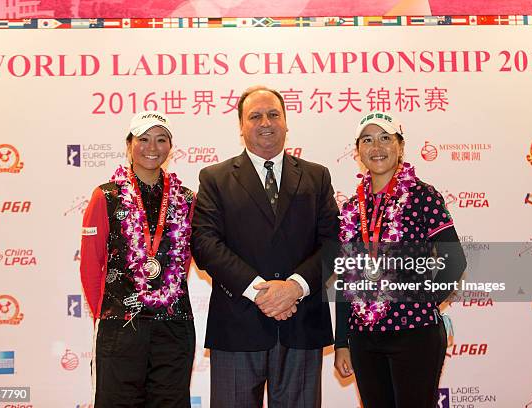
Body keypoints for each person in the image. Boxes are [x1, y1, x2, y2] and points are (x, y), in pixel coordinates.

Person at [191, 86, 340, 408]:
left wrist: (294, 288)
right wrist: (260, 291)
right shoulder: (215, 178)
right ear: (241, 126)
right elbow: (204, 244)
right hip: (236, 325)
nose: (265, 122)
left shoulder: (317, 177)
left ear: (286, 123)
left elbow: (333, 243)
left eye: (273, 114)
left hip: (301, 323)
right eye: (255, 116)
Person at [333, 112, 466, 408]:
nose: (376, 147)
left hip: (414, 333)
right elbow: (345, 279)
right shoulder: (353, 208)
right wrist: (342, 341)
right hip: (365, 337)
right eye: (367, 140)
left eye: (385, 138)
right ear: (358, 152)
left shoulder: (423, 196)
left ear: (400, 147)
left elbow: (454, 259)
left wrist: (423, 302)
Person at [80, 111, 195, 407]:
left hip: (174, 323)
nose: (152, 147)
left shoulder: (186, 199)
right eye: (143, 139)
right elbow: (91, 265)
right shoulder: (106, 196)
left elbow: (188, 258)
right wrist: (106, 316)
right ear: (129, 144)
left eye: (160, 140)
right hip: (120, 324)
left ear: (171, 147)